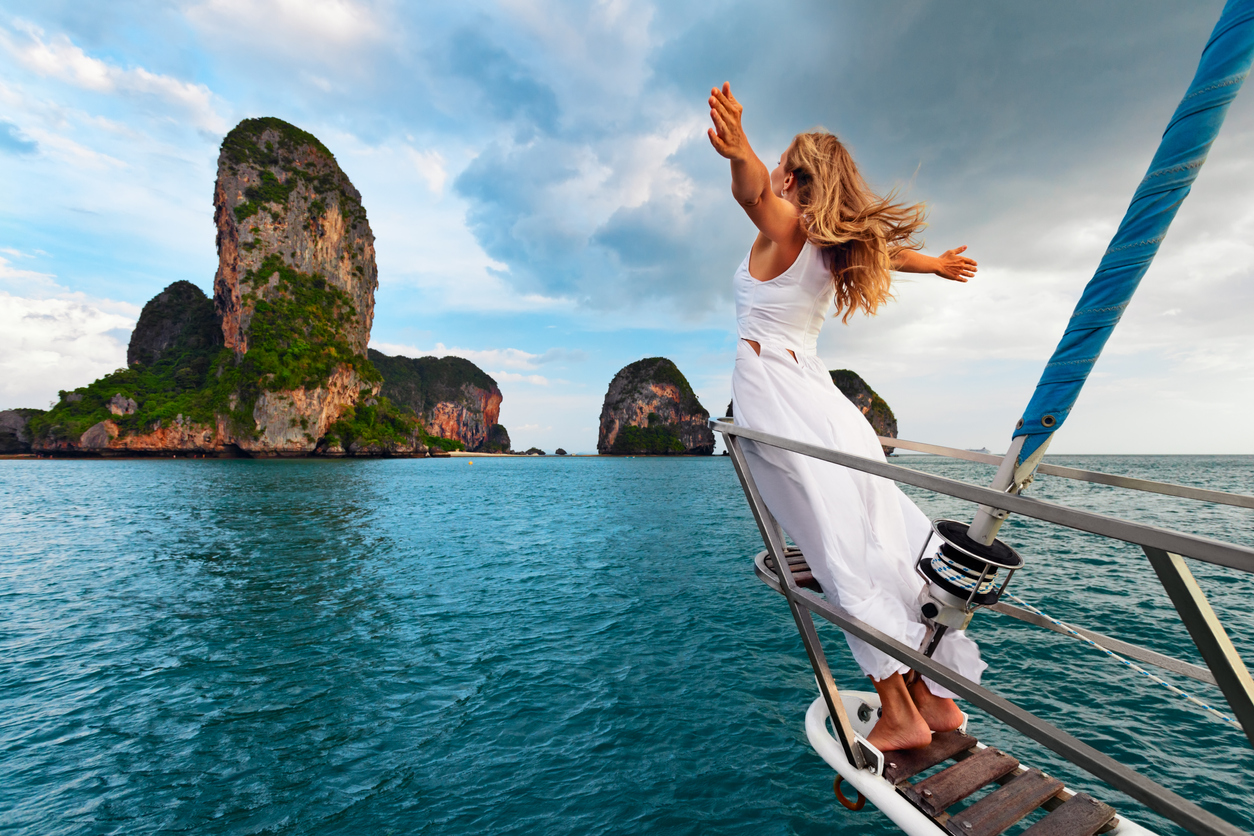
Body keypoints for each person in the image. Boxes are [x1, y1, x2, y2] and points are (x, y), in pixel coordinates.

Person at [708, 82, 985, 752]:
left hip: (780, 399)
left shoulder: (790, 228)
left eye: (779, 163)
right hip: (825, 404)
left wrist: (739, 147)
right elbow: (893, 255)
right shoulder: (838, 245)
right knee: (880, 536)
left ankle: (900, 711)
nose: (770, 170)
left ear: (796, 178)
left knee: (838, 552)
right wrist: (938, 263)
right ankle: (934, 697)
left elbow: (751, 194)